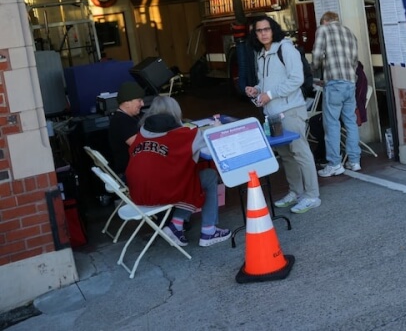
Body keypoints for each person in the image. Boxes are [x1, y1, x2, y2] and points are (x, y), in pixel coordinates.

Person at [126, 96, 230, 247]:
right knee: (208, 176)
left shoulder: (142, 132)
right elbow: (211, 138)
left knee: (186, 176)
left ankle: (176, 224)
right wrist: (216, 127)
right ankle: (209, 230)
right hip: (161, 193)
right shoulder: (184, 135)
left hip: (136, 193)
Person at [244, 14, 321, 214]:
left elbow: (296, 79)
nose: (263, 33)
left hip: (291, 110)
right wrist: (256, 89)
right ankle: (296, 192)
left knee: (300, 152)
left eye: (266, 29)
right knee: (286, 155)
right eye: (259, 30)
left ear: (274, 29)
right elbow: (268, 82)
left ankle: (312, 195)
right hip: (273, 115)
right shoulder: (261, 53)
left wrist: (269, 94)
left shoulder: (286, 49)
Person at [311, 11, 360, 176]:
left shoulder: (323, 30)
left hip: (334, 83)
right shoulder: (350, 33)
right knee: (350, 122)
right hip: (350, 82)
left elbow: (317, 56)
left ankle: (334, 164)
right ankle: (354, 161)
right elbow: (354, 60)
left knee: (331, 124)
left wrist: (314, 69)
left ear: (324, 21)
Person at [309, 61, 368, 165]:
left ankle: (334, 161)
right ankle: (354, 160)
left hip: (348, 107)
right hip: (354, 108)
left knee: (327, 124)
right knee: (350, 124)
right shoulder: (355, 71)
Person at [107, 81, 146, 178]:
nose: (143, 104)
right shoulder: (121, 120)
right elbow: (140, 146)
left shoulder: (128, 117)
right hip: (129, 173)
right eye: (139, 100)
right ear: (127, 103)